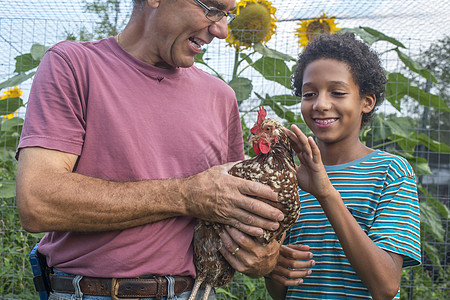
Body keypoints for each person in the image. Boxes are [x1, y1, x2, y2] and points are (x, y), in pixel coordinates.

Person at [15, 0, 285, 299]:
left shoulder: (221, 97)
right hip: (89, 291)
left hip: (191, 293)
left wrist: (266, 254)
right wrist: (185, 196)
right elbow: (37, 202)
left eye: (226, 15)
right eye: (211, 8)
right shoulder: (73, 64)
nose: (221, 30)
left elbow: (234, 214)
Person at [265, 32, 421, 299]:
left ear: (366, 101)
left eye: (337, 93)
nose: (321, 104)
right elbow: (280, 291)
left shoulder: (390, 172)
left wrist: (326, 193)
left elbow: (385, 286)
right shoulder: (289, 176)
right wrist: (273, 265)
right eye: (309, 93)